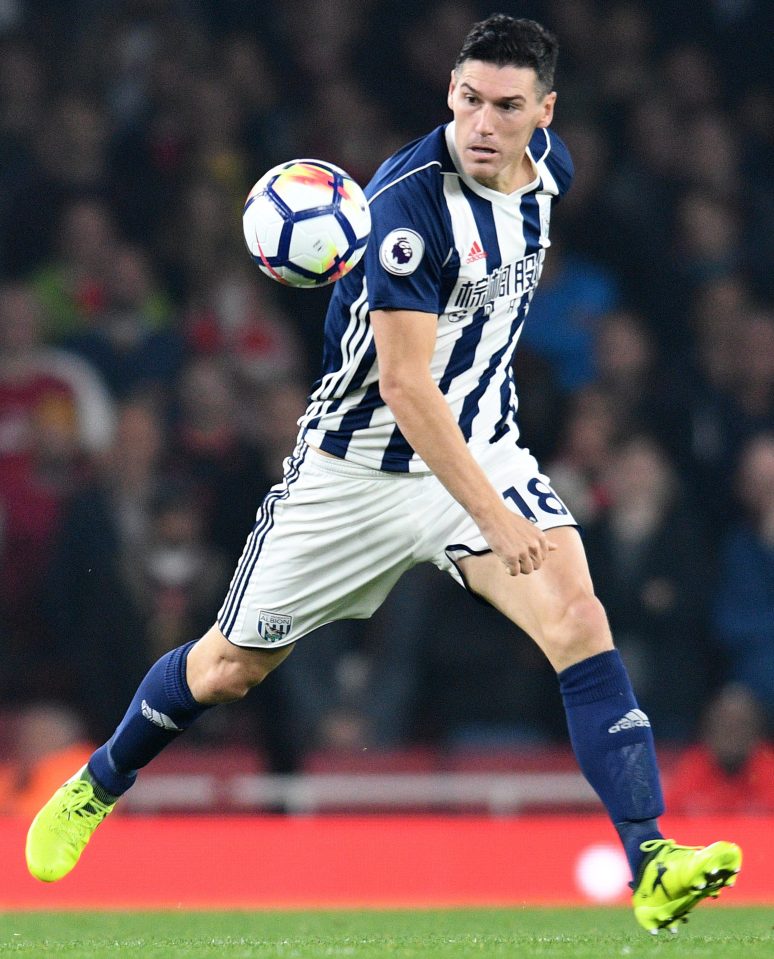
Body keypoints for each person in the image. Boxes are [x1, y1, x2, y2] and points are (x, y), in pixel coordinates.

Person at [25, 14, 740, 934]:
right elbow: (405, 388)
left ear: (544, 113)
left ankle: (652, 859)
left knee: (578, 616)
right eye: (470, 99)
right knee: (231, 665)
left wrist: (493, 489)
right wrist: (501, 516)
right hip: (356, 469)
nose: (483, 122)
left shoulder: (550, 172)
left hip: (480, 440)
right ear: (450, 92)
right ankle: (98, 782)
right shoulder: (404, 207)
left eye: (507, 106)